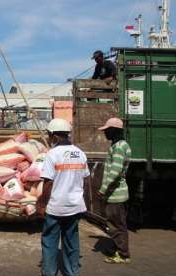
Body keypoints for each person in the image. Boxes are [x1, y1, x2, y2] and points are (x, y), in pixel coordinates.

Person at [37, 118, 90, 276]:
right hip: (74, 207)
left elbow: (48, 183)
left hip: (55, 207)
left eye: (48, 135)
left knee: (49, 241)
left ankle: (49, 272)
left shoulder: (52, 154)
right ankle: (71, 271)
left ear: (54, 136)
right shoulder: (80, 154)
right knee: (71, 241)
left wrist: (41, 204)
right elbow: (85, 180)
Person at [98, 117, 132, 264]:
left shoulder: (119, 147)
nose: (105, 133)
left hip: (115, 194)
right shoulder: (119, 145)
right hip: (117, 193)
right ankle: (117, 249)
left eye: (107, 130)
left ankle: (123, 255)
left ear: (115, 131)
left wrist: (103, 189)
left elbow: (115, 171)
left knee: (116, 225)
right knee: (117, 224)